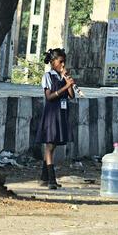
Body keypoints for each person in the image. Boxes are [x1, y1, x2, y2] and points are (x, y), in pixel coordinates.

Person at [36, 48, 75, 189]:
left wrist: (68, 82)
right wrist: (65, 87)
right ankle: (51, 179)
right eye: (61, 62)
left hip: (62, 113)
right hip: (52, 113)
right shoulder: (48, 76)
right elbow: (49, 96)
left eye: (64, 62)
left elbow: (72, 96)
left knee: (54, 145)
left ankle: (44, 177)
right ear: (53, 63)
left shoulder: (63, 76)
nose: (63, 65)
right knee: (50, 145)